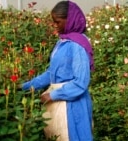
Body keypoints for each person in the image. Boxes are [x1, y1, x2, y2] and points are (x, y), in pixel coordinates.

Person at [20, 1, 94, 141]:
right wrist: (25, 86)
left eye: (58, 22)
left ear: (70, 20)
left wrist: (52, 95)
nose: (54, 25)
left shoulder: (77, 45)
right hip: (59, 101)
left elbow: (81, 82)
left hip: (72, 104)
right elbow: (51, 74)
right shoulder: (63, 42)